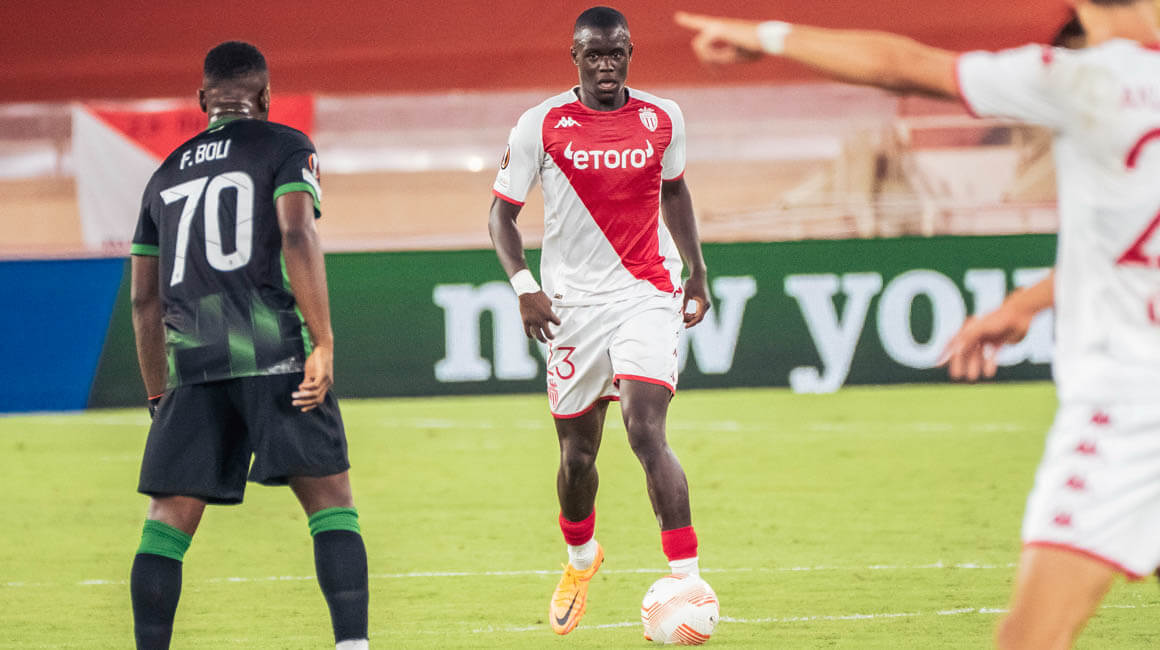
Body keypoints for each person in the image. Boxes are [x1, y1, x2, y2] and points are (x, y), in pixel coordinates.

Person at [676, 2, 1160, 648]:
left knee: (1029, 640)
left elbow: (904, 65)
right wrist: (1026, 303)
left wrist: (768, 35)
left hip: (1128, 405)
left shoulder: (1079, 80)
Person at [128, 41, 368, 650]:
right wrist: (323, 341)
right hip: (272, 347)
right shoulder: (285, 146)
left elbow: (143, 301)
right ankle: (352, 645)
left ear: (202, 99)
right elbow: (296, 232)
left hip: (193, 359)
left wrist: (158, 393)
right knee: (331, 503)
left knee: (165, 526)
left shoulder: (164, 173)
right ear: (264, 97)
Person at [488, 6, 712, 636]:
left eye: (616, 53)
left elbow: (674, 191)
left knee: (645, 429)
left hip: (647, 292)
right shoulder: (541, 124)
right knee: (577, 456)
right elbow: (501, 215)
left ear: (630, 53)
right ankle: (582, 558)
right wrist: (525, 288)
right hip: (572, 309)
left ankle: (688, 580)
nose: (606, 65)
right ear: (576, 57)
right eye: (594, 54)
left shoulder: (663, 118)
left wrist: (697, 270)